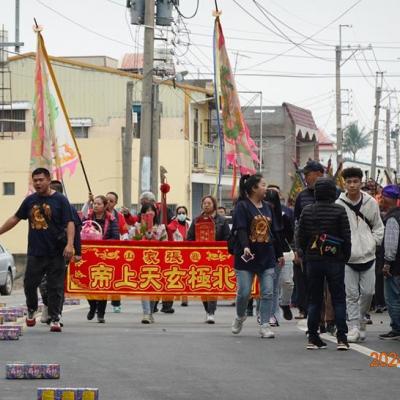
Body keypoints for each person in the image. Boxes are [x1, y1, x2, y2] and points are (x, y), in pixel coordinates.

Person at [0, 168, 75, 332]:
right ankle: (32, 309)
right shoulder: (30, 201)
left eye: (41, 180)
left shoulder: (61, 200)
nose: (38, 183)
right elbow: (15, 218)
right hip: (36, 252)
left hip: (56, 252)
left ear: (49, 180)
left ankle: (55, 318)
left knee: (55, 287)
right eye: (35, 180)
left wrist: (70, 244)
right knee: (29, 284)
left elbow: (70, 222)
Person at [298, 177, 352, 350]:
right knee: (338, 298)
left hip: (313, 260)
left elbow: (301, 237)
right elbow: (346, 237)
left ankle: (313, 337)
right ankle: (342, 337)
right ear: (332, 192)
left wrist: (306, 253)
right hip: (335, 260)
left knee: (315, 299)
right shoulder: (339, 210)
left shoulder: (307, 210)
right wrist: (345, 256)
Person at [231, 174, 284, 338]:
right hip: (246, 257)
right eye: (263, 184)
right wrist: (245, 247)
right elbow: (241, 229)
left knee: (267, 292)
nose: (266, 188)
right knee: (244, 292)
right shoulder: (242, 206)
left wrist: (279, 254)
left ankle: (265, 325)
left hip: (267, 256)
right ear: (254, 188)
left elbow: (274, 231)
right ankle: (240, 316)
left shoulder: (268, 207)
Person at [336, 167, 384, 343]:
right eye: (349, 182)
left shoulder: (371, 202)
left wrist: (374, 242)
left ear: (361, 183)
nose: (352, 185)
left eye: (355, 181)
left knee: (368, 292)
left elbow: (379, 226)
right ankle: (354, 326)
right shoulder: (339, 204)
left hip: (368, 256)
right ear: (344, 183)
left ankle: (361, 319)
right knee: (350, 294)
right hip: (348, 257)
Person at [39, 180, 82, 325]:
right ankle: (47, 306)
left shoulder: (68, 208)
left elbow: (76, 232)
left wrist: (77, 251)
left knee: (56, 284)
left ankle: (56, 314)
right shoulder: (40, 206)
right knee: (43, 283)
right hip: (42, 251)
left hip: (61, 252)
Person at [187, 195, 230, 324]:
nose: (206, 205)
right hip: (200, 257)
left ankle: (211, 312)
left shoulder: (222, 220)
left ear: (214, 205)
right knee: (203, 285)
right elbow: (189, 238)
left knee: (213, 285)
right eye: (204, 203)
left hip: (215, 257)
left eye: (209, 203)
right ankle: (207, 310)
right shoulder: (196, 221)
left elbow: (227, 238)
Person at [293, 160, 324, 319]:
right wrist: (297, 250)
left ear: (319, 174)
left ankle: (329, 317)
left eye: (307, 174)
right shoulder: (302, 196)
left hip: (330, 249)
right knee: (310, 284)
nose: (305, 178)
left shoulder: (335, 194)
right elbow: (297, 225)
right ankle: (312, 317)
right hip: (307, 250)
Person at [83, 195, 119, 323]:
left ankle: (101, 313)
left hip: (104, 255)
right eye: (94, 204)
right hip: (88, 255)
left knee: (102, 283)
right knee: (87, 282)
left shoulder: (112, 219)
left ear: (105, 206)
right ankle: (92, 305)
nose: (96, 206)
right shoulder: (88, 217)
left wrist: (100, 240)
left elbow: (116, 237)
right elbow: (80, 227)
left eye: (99, 204)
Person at [131, 203, 168, 323]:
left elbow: (166, 244)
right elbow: (132, 242)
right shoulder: (136, 226)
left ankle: (151, 311)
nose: (150, 213)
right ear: (142, 213)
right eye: (147, 211)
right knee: (144, 288)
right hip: (141, 260)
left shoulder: (161, 227)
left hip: (157, 261)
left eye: (152, 210)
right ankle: (146, 313)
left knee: (154, 288)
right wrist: (142, 232)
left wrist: (155, 235)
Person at [265, 188, 294, 325]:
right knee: (270, 287)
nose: (269, 206)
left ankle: (284, 304)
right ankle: (270, 315)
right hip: (266, 253)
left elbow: (290, 235)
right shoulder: (260, 214)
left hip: (284, 252)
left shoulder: (285, 215)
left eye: (271, 203)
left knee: (287, 283)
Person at [379, 185, 400, 340]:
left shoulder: (392, 218)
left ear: (389, 199)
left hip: (395, 266)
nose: (380, 199)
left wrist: (387, 263)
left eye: (383, 196)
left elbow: (391, 244)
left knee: (393, 298)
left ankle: (397, 328)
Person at [106, 191, 129, 313]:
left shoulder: (119, 216)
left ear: (115, 203)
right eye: (107, 200)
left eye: (111, 201)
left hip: (115, 249)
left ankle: (116, 301)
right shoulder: (97, 212)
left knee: (115, 276)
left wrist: (124, 241)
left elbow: (124, 231)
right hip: (100, 250)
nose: (108, 203)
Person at [167, 205, 191, 307]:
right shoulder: (173, 224)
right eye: (179, 213)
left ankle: (184, 298)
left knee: (186, 276)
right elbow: (169, 229)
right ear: (176, 214)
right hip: (176, 253)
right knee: (175, 274)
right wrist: (174, 222)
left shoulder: (189, 224)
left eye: (183, 213)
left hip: (187, 252)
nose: (181, 215)